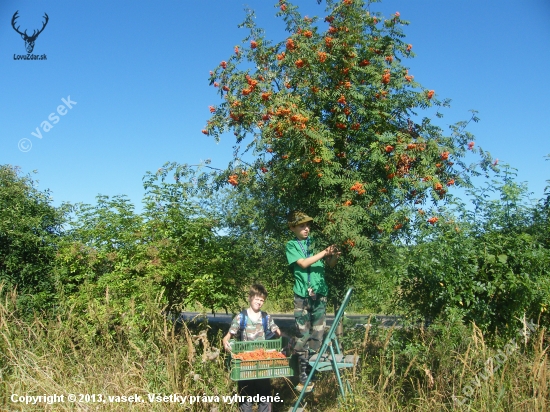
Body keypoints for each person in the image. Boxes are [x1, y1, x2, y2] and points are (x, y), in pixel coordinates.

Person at [285, 211, 340, 390]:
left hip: (319, 295)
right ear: (293, 228)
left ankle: (311, 372)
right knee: (303, 334)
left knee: (317, 334)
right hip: (302, 296)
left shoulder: (314, 244)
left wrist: (334, 256)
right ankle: (302, 376)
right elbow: (303, 264)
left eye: (308, 225)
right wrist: (325, 252)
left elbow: (329, 265)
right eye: (302, 225)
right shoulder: (291, 245)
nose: (306, 228)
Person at [222, 284, 281, 412]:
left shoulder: (266, 317)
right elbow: (227, 337)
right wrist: (226, 343)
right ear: (250, 298)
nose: (259, 302)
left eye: (262, 300)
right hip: (245, 364)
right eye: (257, 299)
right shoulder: (241, 317)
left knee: (265, 396)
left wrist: (285, 339)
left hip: (262, 363)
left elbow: (277, 331)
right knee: (246, 397)